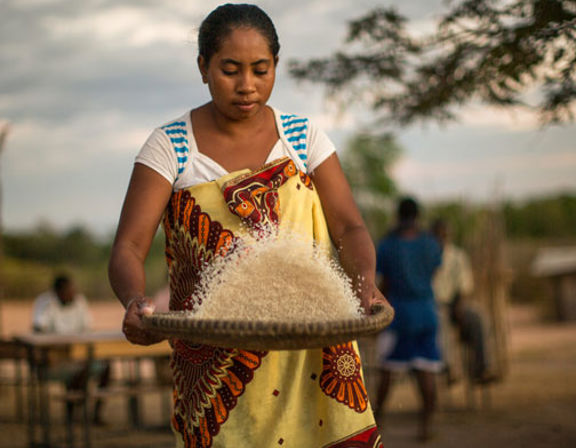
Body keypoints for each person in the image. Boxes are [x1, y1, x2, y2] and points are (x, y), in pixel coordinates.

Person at [108, 4, 386, 447]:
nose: (247, 86)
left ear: (277, 65)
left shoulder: (302, 138)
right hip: (217, 366)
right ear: (203, 67)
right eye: (230, 70)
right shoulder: (172, 147)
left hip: (312, 350)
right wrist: (135, 300)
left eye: (261, 69)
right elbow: (128, 246)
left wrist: (363, 283)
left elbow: (349, 227)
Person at [374, 197, 442, 441]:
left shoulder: (388, 245)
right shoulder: (430, 243)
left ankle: (375, 425)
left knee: (387, 373)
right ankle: (426, 427)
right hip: (426, 313)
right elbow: (433, 272)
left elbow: (384, 282)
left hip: (398, 316)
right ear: (417, 216)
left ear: (398, 215)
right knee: (427, 372)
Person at [32, 275, 111, 425]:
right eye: (68, 290)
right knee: (80, 369)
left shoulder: (79, 302)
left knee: (105, 365)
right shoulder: (46, 303)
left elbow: (87, 329)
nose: (72, 293)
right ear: (57, 292)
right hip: (56, 357)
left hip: (78, 354)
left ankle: (96, 413)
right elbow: (38, 329)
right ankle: (71, 410)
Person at [431, 219, 495, 384]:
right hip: (434, 305)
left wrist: (459, 305)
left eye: (444, 235)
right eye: (438, 235)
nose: (441, 238)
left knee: (478, 318)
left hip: (455, 303)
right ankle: (450, 368)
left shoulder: (458, 256)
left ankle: (482, 368)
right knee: (440, 320)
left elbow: (464, 285)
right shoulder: (427, 257)